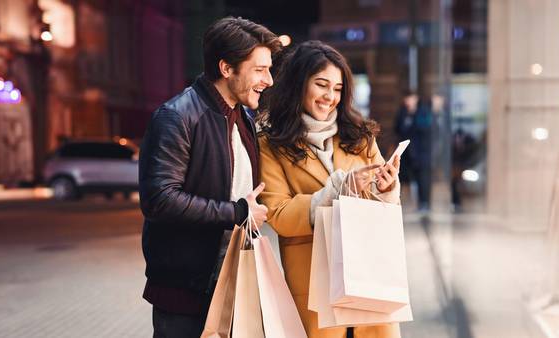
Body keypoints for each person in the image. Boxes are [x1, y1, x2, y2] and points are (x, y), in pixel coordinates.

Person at [138, 17, 281, 337]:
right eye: (259, 69)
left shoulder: (243, 117)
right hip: (185, 292)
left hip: (234, 281)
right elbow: (159, 200)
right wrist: (237, 212)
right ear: (226, 68)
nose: (268, 80)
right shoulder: (177, 116)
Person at [258, 40, 401, 338]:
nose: (330, 97)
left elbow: (382, 210)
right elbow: (279, 215)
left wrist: (386, 190)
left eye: (337, 89)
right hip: (313, 284)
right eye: (321, 85)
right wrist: (334, 192)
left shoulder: (360, 136)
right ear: (299, 85)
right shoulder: (271, 145)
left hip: (368, 276)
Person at [394, 90, 433, 212]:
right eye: (407, 99)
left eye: (411, 98)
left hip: (421, 152)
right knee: (402, 177)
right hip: (406, 152)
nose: (408, 101)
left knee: (422, 178)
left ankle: (424, 203)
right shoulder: (402, 112)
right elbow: (398, 129)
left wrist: (413, 117)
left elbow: (426, 128)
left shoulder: (423, 111)